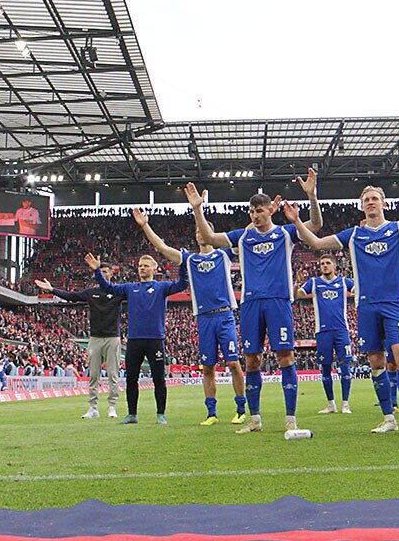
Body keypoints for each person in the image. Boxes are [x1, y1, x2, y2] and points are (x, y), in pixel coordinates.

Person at [284, 179, 399, 436]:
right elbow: (316, 243)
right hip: (367, 306)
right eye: (366, 200)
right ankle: (388, 417)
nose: (371, 202)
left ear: (384, 203)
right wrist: (296, 221)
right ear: (361, 206)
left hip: (395, 305)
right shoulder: (353, 235)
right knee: (376, 361)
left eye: (374, 199)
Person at [186, 168, 322, 437]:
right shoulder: (243, 237)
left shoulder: (285, 233)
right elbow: (211, 238)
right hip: (250, 303)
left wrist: (311, 196)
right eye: (251, 212)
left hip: (278, 301)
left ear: (270, 210)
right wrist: (197, 210)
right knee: (251, 361)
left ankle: (291, 418)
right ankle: (255, 418)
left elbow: (316, 226)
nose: (255, 215)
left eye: (259, 211)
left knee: (285, 357)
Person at [132, 208, 247, 426]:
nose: (199, 234)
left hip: (224, 315)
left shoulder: (224, 254)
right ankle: (211, 413)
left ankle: (241, 409)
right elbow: (163, 248)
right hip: (203, 318)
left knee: (233, 363)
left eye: (202, 230)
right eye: (197, 231)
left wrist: (268, 215)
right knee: (208, 368)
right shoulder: (190, 260)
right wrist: (145, 225)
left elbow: (248, 233)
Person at [86, 251, 187, 424]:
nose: (142, 268)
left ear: (154, 269)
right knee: (131, 378)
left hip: (155, 339)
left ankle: (160, 414)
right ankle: (132, 414)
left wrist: (183, 264)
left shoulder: (161, 287)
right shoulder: (130, 288)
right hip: (134, 340)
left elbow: (183, 283)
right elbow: (108, 288)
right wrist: (97, 271)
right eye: (140, 266)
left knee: (159, 379)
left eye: (146, 265)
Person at [36, 260, 125, 419]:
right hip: (95, 338)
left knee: (113, 374)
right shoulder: (91, 292)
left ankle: (112, 407)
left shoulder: (118, 292)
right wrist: (52, 289)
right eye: (100, 272)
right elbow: (71, 297)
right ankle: (93, 408)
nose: (103, 274)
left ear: (112, 274)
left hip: (113, 338)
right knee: (94, 375)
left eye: (106, 272)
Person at [297, 254, 355, 415]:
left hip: (341, 330)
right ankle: (331, 404)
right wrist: (296, 283)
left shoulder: (344, 282)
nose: (324, 265)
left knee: (345, 366)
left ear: (334, 265)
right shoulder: (314, 283)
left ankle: (345, 403)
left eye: (328, 263)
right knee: (325, 367)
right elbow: (298, 295)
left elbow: (359, 290)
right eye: (322, 263)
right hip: (322, 331)